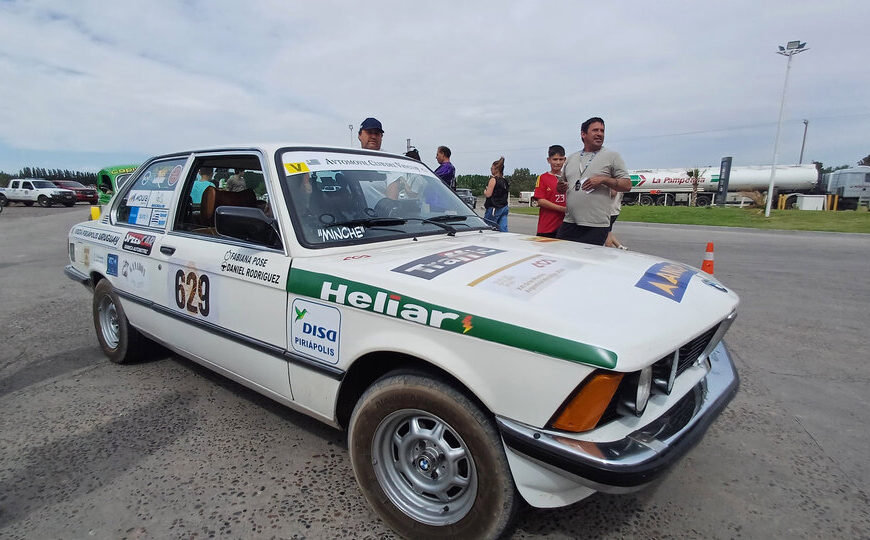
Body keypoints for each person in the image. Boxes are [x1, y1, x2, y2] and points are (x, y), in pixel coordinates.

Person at [556, 117, 631, 245]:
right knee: (561, 256)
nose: (599, 134)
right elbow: (561, 185)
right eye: (595, 130)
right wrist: (560, 187)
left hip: (596, 225)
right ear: (583, 134)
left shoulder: (612, 156)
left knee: (586, 263)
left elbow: (627, 185)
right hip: (570, 221)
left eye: (602, 131)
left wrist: (604, 180)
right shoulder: (571, 158)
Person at [532, 145, 567, 237]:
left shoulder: (569, 177)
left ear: (565, 160)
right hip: (547, 227)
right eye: (555, 159)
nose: (558, 162)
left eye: (561, 159)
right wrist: (562, 209)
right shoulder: (543, 178)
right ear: (549, 160)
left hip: (565, 226)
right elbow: (540, 201)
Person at [483, 157, 509, 232]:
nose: (491, 169)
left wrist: (485, 191)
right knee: (502, 228)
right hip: (504, 207)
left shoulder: (493, 180)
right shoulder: (505, 181)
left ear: (496, 169)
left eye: (492, 168)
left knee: (488, 228)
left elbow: (488, 194)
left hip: (494, 208)